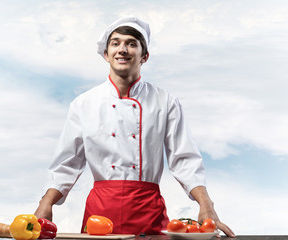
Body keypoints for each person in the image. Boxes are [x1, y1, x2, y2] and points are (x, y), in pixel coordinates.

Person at [34, 16, 235, 237]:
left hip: (148, 211)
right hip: (100, 214)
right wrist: (47, 204)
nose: (122, 49)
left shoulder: (165, 102)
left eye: (131, 43)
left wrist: (206, 204)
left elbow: (184, 159)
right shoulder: (84, 104)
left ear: (144, 56)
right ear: (106, 54)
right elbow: (67, 162)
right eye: (115, 43)